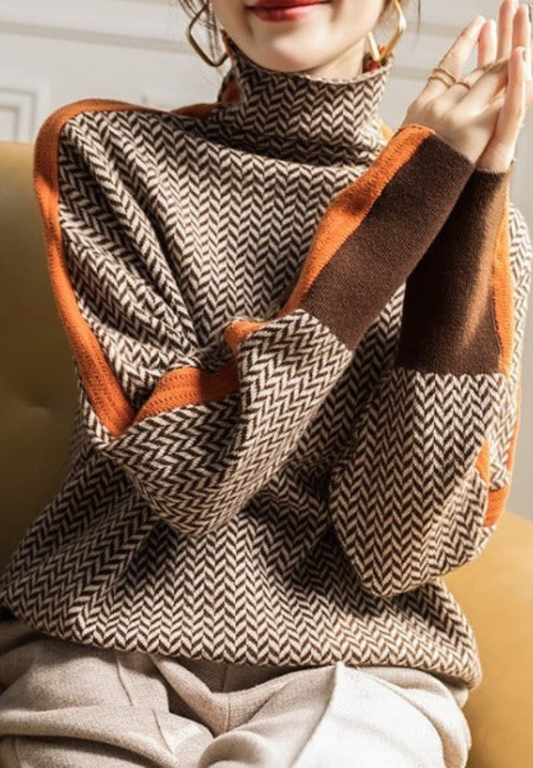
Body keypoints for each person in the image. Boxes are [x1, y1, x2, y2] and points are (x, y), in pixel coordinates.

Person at [0, 0, 532, 765]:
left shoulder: (482, 222)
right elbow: (194, 481)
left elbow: (396, 552)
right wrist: (398, 210)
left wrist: (458, 205)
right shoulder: (106, 155)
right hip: (104, 647)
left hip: (361, 668)